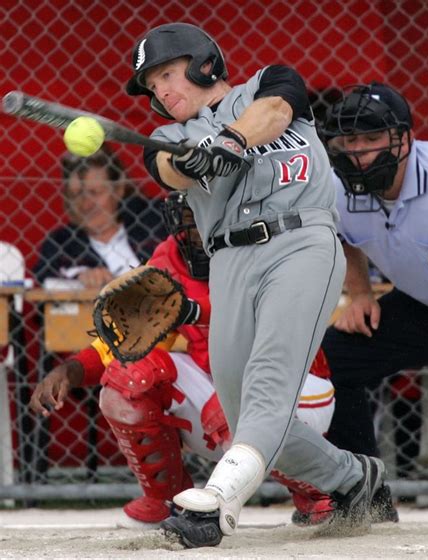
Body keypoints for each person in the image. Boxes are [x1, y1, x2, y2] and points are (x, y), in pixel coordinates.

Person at [124, 22, 386, 547]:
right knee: (249, 420)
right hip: (229, 263)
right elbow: (167, 169)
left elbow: (277, 111)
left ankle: (215, 505)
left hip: (300, 241)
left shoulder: (269, 82)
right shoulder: (170, 137)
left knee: (269, 378)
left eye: (168, 75)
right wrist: (190, 159)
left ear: (203, 64)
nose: (163, 91)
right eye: (154, 87)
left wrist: (229, 141)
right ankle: (356, 479)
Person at [29, 192, 338, 528]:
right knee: (128, 378)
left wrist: (191, 310)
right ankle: (166, 499)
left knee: (232, 406)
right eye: (190, 218)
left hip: (298, 388)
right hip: (220, 400)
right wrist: (69, 371)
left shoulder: (270, 246)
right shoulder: (167, 261)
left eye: (205, 216)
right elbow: (123, 341)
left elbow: (267, 317)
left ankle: (324, 489)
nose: (196, 229)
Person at [316, 82, 428, 481]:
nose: (360, 151)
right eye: (349, 139)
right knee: (333, 362)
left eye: (373, 138)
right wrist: (359, 294)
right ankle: (362, 495)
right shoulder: (335, 189)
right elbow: (343, 236)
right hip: (427, 307)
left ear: (405, 140)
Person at [34, 144, 167, 288]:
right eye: (76, 194)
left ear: (118, 189)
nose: (86, 204)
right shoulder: (61, 243)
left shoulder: (155, 220)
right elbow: (44, 277)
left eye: (95, 192)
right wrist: (79, 275)